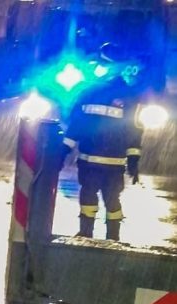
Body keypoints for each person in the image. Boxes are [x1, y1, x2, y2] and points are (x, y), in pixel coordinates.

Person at [62, 43, 145, 241]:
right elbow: (135, 130)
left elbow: (76, 125)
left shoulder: (88, 91)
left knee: (89, 195)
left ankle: (85, 233)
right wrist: (133, 160)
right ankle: (113, 237)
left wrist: (63, 150)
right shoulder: (130, 96)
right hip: (114, 163)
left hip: (90, 161)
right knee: (112, 199)